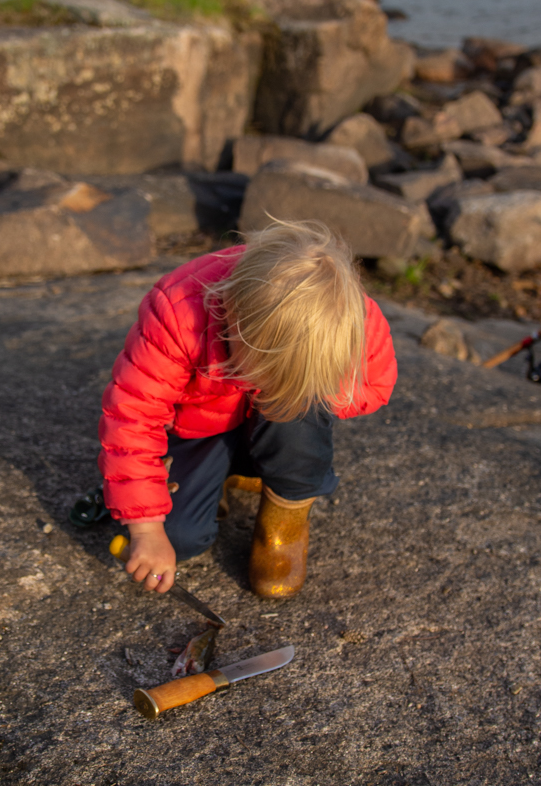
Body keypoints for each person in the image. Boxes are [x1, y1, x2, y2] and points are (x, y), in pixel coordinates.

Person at [98, 220, 397, 598]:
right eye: (256, 370)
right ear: (232, 320)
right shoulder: (178, 312)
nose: (264, 386)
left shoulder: (350, 318)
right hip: (200, 429)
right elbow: (132, 417)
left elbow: (376, 384)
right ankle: (226, 471)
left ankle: (284, 521)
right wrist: (146, 529)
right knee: (180, 540)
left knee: (299, 407)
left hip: (274, 425)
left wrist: (301, 390)